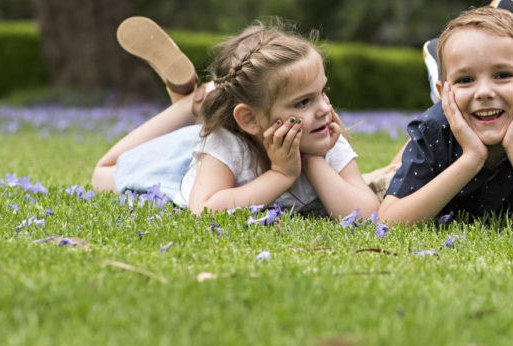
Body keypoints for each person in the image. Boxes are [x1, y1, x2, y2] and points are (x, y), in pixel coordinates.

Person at [92, 18, 379, 218]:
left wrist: (314, 159)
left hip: (228, 133)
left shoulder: (323, 137)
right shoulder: (226, 146)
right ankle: (192, 104)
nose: (323, 110)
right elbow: (204, 209)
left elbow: (367, 213)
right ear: (251, 120)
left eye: (322, 92)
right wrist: (281, 175)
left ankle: (205, 99)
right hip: (182, 165)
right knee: (102, 174)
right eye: (303, 102)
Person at [377, 0, 513, 231]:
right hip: (445, 127)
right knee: (381, 181)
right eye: (465, 79)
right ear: (444, 91)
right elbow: (389, 222)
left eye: (502, 75)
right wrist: (472, 157)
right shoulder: (433, 128)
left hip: (469, 115)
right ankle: (447, 95)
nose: (485, 92)